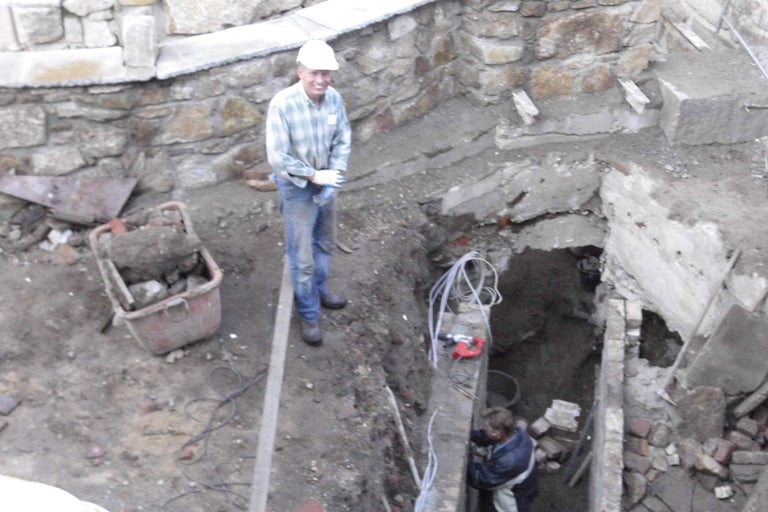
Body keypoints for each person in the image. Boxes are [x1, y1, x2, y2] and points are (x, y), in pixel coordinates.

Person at [266, 39, 352, 346]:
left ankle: (319, 288)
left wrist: (333, 175)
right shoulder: (282, 105)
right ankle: (309, 313)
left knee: (325, 243)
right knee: (302, 257)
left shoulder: (334, 99)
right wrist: (314, 175)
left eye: (325, 73)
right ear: (300, 72)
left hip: (326, 183)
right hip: (297, 188)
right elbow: (278, 158)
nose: (320, 80)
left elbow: (342, 138)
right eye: (314, 73)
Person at [467, 407, 539, 512]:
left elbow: (482, 479)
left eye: (487, 428)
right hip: (523, 487)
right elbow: (488, 438)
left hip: (509, 504)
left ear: (497, 435)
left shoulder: (509, 462)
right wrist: (472, 435)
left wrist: (466, 460)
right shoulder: (517, 433)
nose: (485, 429)